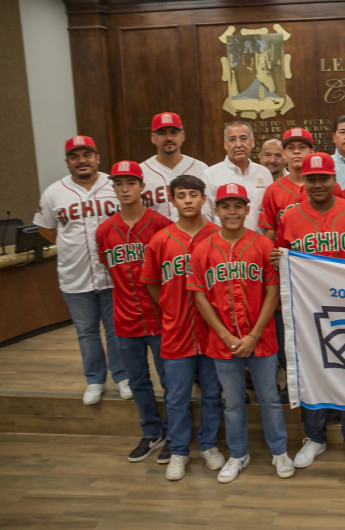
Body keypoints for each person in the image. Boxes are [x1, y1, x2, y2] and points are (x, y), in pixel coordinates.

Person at [189, 183, 293, 484]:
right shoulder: (203, 249)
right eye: (226, 206)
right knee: (233, 402)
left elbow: (272, 293)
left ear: (248, 209)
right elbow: (199, 297)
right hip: (223, 343)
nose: (232, 212)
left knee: (270, 398)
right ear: (216, 210)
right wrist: (225, 336)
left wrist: (253, 336)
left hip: (261, 339)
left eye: (238, 206)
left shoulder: (262, 245)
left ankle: (279, 451)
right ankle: (238, 453)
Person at [274, 152, 345, 470]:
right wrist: (280, 261)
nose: (317, 184)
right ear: (303, 181)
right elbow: (282, 259)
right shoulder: (290, 217)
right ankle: (313, 437)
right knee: (311, 374)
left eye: (323, 178)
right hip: (309, 310)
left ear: (334, 179)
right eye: (311, 179)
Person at [141, 174, 225, 482]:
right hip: (176, 330)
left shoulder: (217, 235)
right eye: (181, 195)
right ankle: (178, 450)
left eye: (193, 194)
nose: (188, 200)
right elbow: (151, 284)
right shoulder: (161, 240)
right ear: (172, 200)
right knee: (176, 395)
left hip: (212, 330)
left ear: (204, 199)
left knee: (213, 393)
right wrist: (169, 306)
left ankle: (209, 445)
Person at [34, 135, 129, 405]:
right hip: (75, 276)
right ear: (67, 162)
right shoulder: (54, 192)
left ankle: (122, 377)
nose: (81, 160)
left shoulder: (115, 185)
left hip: (113, 275)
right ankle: (95, 380)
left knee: (115, 330)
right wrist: (68, 245)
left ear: (97, 158)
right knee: (86, 332)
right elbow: (45, 227)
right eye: (75, 156)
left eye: (87, 154)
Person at [96, 160, 172, 464]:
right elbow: (107, 266)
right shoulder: (105, 230)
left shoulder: (160, 225)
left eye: (130, 183)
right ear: (113, 187)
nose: (125, 189)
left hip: (160, 317)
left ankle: (173, 433)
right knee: (138, 381)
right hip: (124, 318)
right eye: (119, 184)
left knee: (169, 381)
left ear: (142, 187)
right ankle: (151, 431)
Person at [203, 121, 272, 231]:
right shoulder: (210, 175)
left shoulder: (264, 173)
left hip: (258, 243)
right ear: (225, 144)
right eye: (232, 139)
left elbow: (270, 214)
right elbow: (206, 217)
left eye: (243, 138)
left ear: (252, 142)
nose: (238, 144)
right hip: (223, 244)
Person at [140, 112, 210, 221]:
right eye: (162, 133)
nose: (168, 138)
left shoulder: (201, 169)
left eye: (174, 132)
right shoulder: (141, 172)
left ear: (183, 135)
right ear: (153, 138)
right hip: (155, 237)